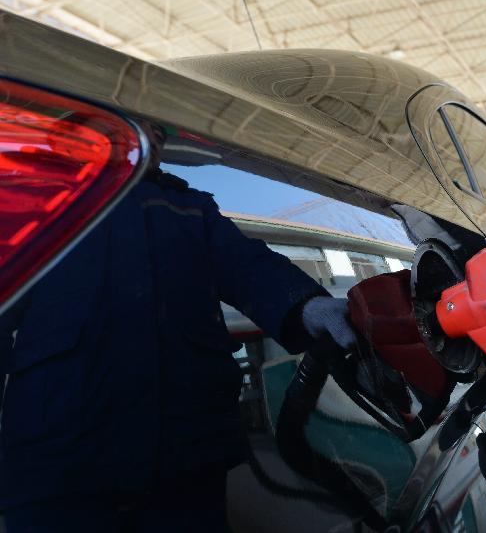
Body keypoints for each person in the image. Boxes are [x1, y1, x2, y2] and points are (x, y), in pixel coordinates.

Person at [0, 123, 358, 532]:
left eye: (157, 133)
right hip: (59, 455)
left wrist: (306, 305)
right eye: (132, 128)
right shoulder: (43, 196)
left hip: (186, 452)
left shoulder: (189, 206)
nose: (150, 140)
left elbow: (247, 266)